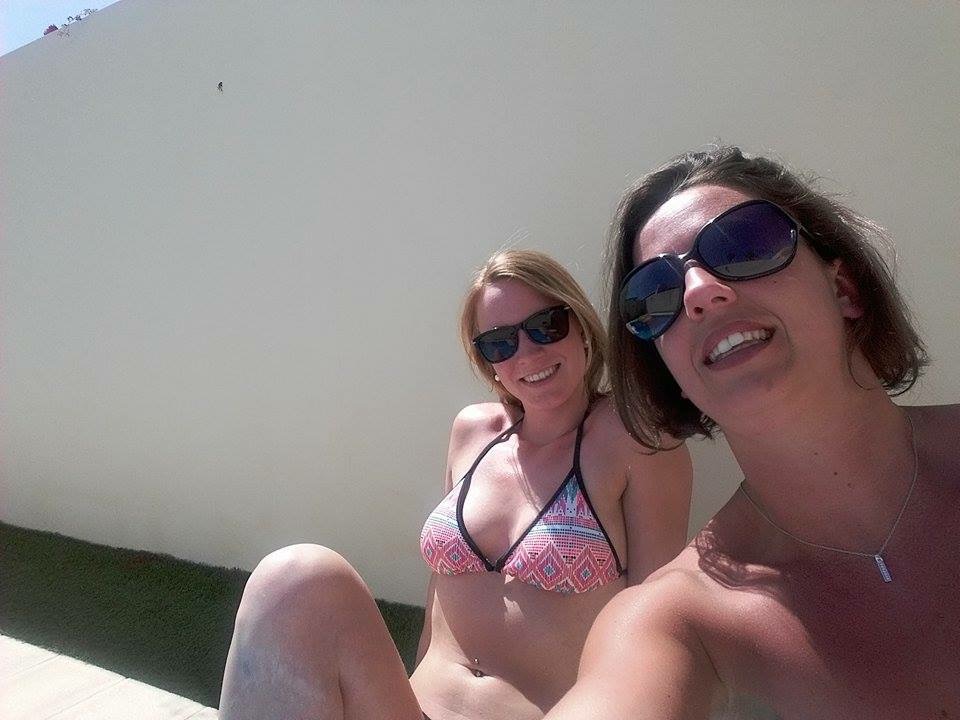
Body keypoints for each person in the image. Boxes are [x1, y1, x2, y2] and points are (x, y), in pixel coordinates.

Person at [545, 146, 960, 720]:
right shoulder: (680, 623)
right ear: (670, 370)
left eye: (743, 244)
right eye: (656, 294)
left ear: (845, 289)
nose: (698, 291)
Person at [218, 249, 693, 720]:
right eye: (500, 344)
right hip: (416, 709)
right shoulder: (472, 432)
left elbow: (657, 631)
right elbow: (439, 602)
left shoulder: (636, 441)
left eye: (545, 326)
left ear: (582, 326)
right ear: (489, 363)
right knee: (294, 576)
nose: (527, 353)